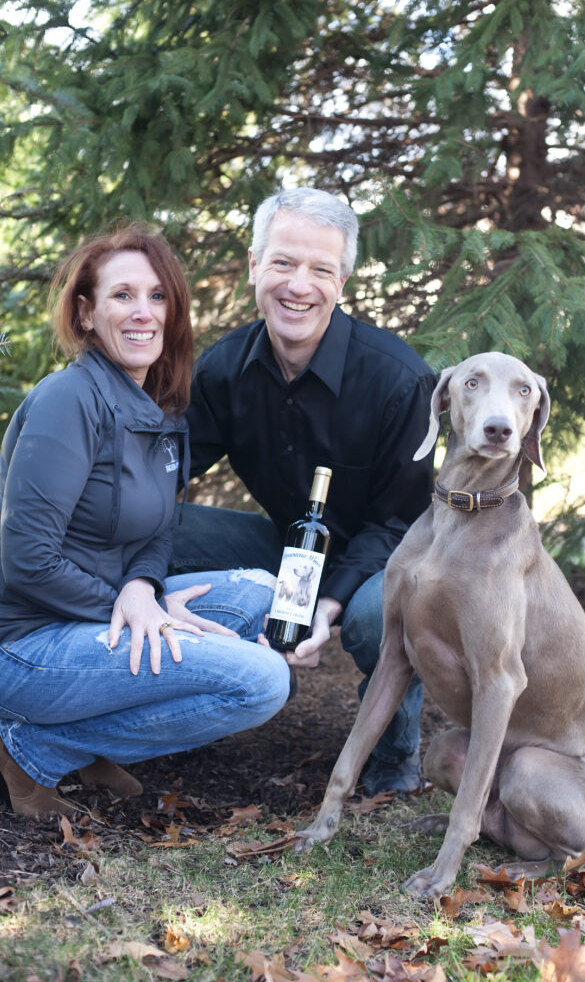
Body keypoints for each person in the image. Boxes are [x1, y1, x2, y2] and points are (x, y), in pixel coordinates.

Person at [0, 224, 291, 819]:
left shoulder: (156, 411)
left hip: (99, 616)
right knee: (263, 681)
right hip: (22, 645)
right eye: (122, 296)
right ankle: (31, 743)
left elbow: (158, 533)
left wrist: (142, 588)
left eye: (157, 297)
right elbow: (27, 558)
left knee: (263, 591)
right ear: (85, 314)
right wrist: (125, 608)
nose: (143, 313)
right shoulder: (67, 401)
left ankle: (79, 737)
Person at [170, 188, 436, 795]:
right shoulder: (223, 368)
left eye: (321, 269)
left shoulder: (399, 380)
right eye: (284, 263)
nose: (299, 285)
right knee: (158, 530)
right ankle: (193, 680)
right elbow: (165, 466)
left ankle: (392, 757)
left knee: (377, 618)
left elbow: (402, 523)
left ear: (342, 281)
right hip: (286, 548)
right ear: (253, 266)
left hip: (381, 560)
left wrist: (330, 604)